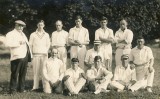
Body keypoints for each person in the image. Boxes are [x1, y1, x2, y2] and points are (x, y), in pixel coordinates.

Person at [5, 20, 32, 94]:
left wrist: (30, 55)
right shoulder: (10, 34)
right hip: (16, 56)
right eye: (19, 25)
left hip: (25, 56)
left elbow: (27, 45)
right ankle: (12, 90)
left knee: (23, 74)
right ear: (15, 25)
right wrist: (18, 43)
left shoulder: (23, 34)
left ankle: (21, 89)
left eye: (22, 26)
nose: (21, 27)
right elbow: (7, 44)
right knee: (15, 74)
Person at [29, 20, 50, 91]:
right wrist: (31, 55)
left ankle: (45, 87)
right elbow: (30, 45)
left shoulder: (46, 34)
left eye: (41, 25)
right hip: (36, 55)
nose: (40, 26)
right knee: (36, 71)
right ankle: (35, 87)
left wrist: (45, 52)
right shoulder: (33, 34)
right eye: (39, 25)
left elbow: (48, 45)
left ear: (43, 26)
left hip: (44, 55)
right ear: (37, 25)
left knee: (44, 71)